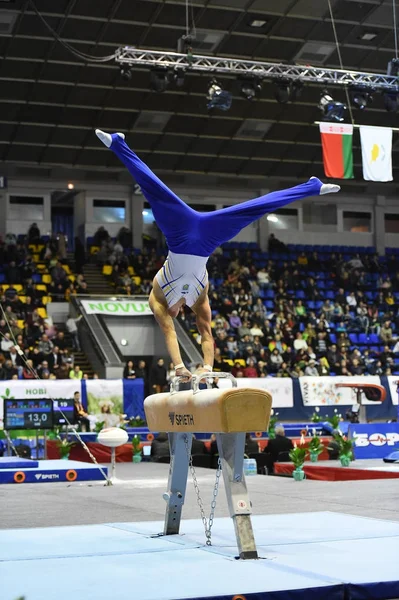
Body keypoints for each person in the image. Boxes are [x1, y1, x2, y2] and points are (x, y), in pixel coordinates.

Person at [96, 129, 340, 381]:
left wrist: (179, 366)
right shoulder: (199, 299)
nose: (175, 314)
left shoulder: (157, 296)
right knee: (252, 210)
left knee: (155, 193)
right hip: (207, 241)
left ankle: (312, 186)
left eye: (173, 314)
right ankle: (117, 143)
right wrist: (207, 368)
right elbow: (206, 334)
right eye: (178, 314)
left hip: (179, 235)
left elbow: (168, 332)